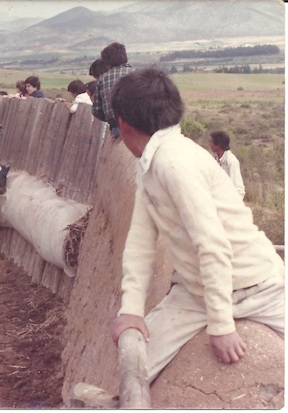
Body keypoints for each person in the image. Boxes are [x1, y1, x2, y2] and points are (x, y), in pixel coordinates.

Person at [109, 67, 284, 386]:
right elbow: (141, 239)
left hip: (257, 285)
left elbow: (213, 244)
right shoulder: (150, 163)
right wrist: (131, 309)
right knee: (133, 369)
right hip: (196, 291)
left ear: (122, 124)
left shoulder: (175, 163)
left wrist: (221, 325)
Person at [92, 42, 134, 140]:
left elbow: (96, 110)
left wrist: (110, 118)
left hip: (116, 127)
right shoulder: (137, 75)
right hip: (138, 125)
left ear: (107, 63)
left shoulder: (103, 79)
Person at [209, 131, 246, 199]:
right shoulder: (213, 158)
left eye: (211, 142)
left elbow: (239, 189)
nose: (210, 144)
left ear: (218, 144)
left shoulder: (231, 161)